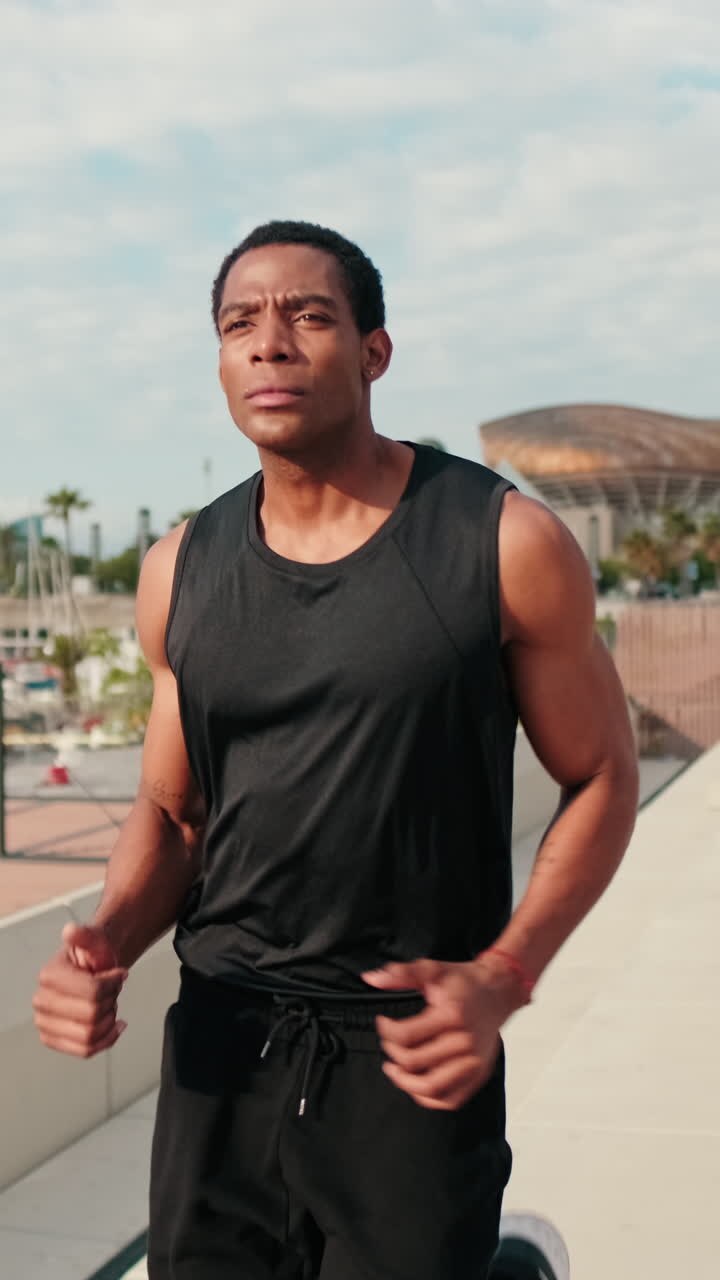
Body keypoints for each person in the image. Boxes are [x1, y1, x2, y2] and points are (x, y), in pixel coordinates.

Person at [32, 221, 638, 1279]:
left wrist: (505, 975)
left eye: (309, 314)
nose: (270, 342)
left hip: (411, 1043)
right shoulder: (182, 566)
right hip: (223, 1037)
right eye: (239, 322)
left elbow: (601, 775)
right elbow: (176, 815)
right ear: (220, 359)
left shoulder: (500, 540)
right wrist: (108, 944)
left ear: (374, 352)